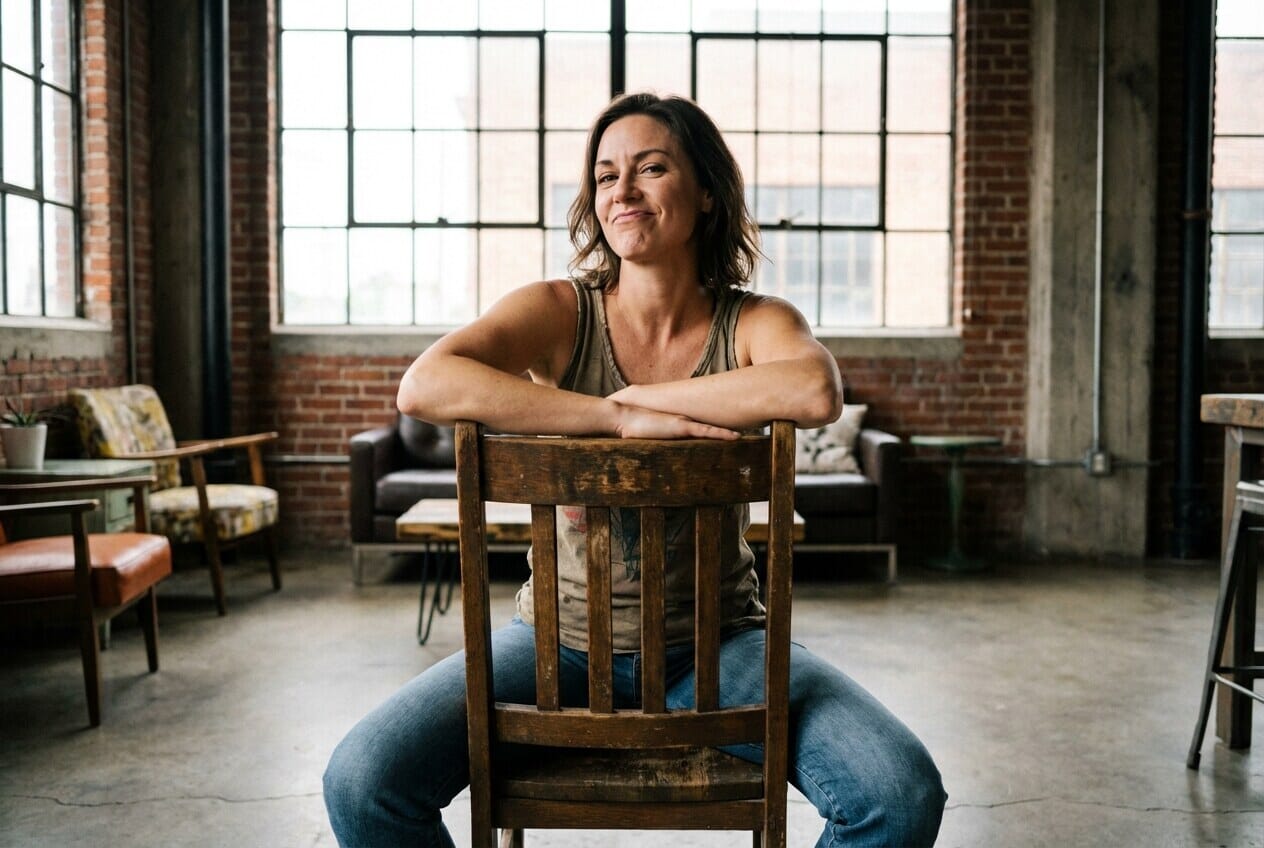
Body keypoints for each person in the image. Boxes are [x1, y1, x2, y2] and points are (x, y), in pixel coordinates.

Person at [324, 92, 946, 847]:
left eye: (652, 168)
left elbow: (814, 389)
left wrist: (647, 395)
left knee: (899, 792)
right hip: (555, 645)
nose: (623, 190)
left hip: (720, 649)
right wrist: (615, 416)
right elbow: (426, 384)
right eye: (606, 173)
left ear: (707, 193)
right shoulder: (560, 311)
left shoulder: (754, 322)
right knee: (362, 782)